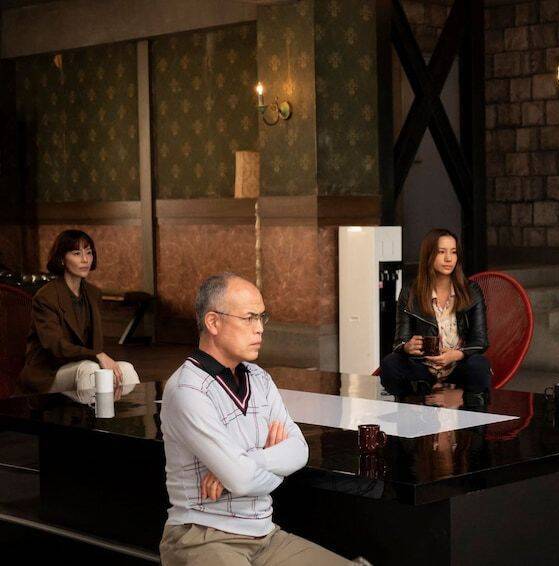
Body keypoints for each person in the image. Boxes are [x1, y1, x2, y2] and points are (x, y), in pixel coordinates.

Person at [159, 273, 360, 565]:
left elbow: (299, 450)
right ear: (213, 322)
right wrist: (266, 464)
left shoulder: (259, 378)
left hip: (265, 536)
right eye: (249, 318)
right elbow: (241, 480)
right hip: (202, 536)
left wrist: (249, 460)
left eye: (261, 317)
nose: (260, 328)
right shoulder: (187, 389)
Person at [379, 228, 492, 407]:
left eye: (453, 252)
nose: (449, 258)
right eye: (441, 252)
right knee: (390, 364)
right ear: (429, 255)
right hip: (423, 367)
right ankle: (421, 400)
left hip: (458, 364)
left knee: (479, 365)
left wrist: (454, 355)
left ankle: (461, 398)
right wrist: (408, 346)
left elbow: (480, 341)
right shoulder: (410, 292)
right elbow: (399, 342)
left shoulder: (471, 291)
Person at [20, 230, 140, 393]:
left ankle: (114, 408)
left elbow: (94, 342)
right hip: (49, 372)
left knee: (126, 371)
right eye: (77, 253)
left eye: (88, 253)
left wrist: (98, 358)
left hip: (83, 364)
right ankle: (91, 410)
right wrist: (96, 355)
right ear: (62, 259)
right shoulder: (46, 297)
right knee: (89, 370)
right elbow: (55, 345)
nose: (85, 259)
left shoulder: (93, 293)